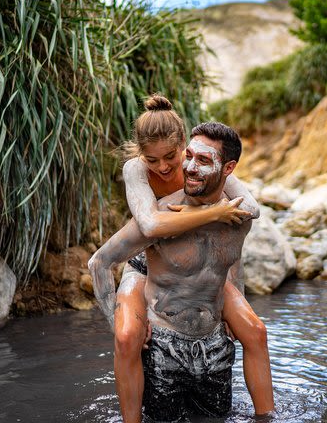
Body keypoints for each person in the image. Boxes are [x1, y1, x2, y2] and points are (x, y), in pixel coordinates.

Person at [95, 95, 274, 422]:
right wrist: (212, 213)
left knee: (255, 331)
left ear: (182, 146)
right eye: (153, 159)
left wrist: (233, 306)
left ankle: (268, 416)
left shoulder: (204, 167)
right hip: (146, 260)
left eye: (172, 158)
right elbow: (149, 225)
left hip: (196, 263)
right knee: (126, 337)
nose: (164, 167)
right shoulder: (136, 169)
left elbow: (247, 217)